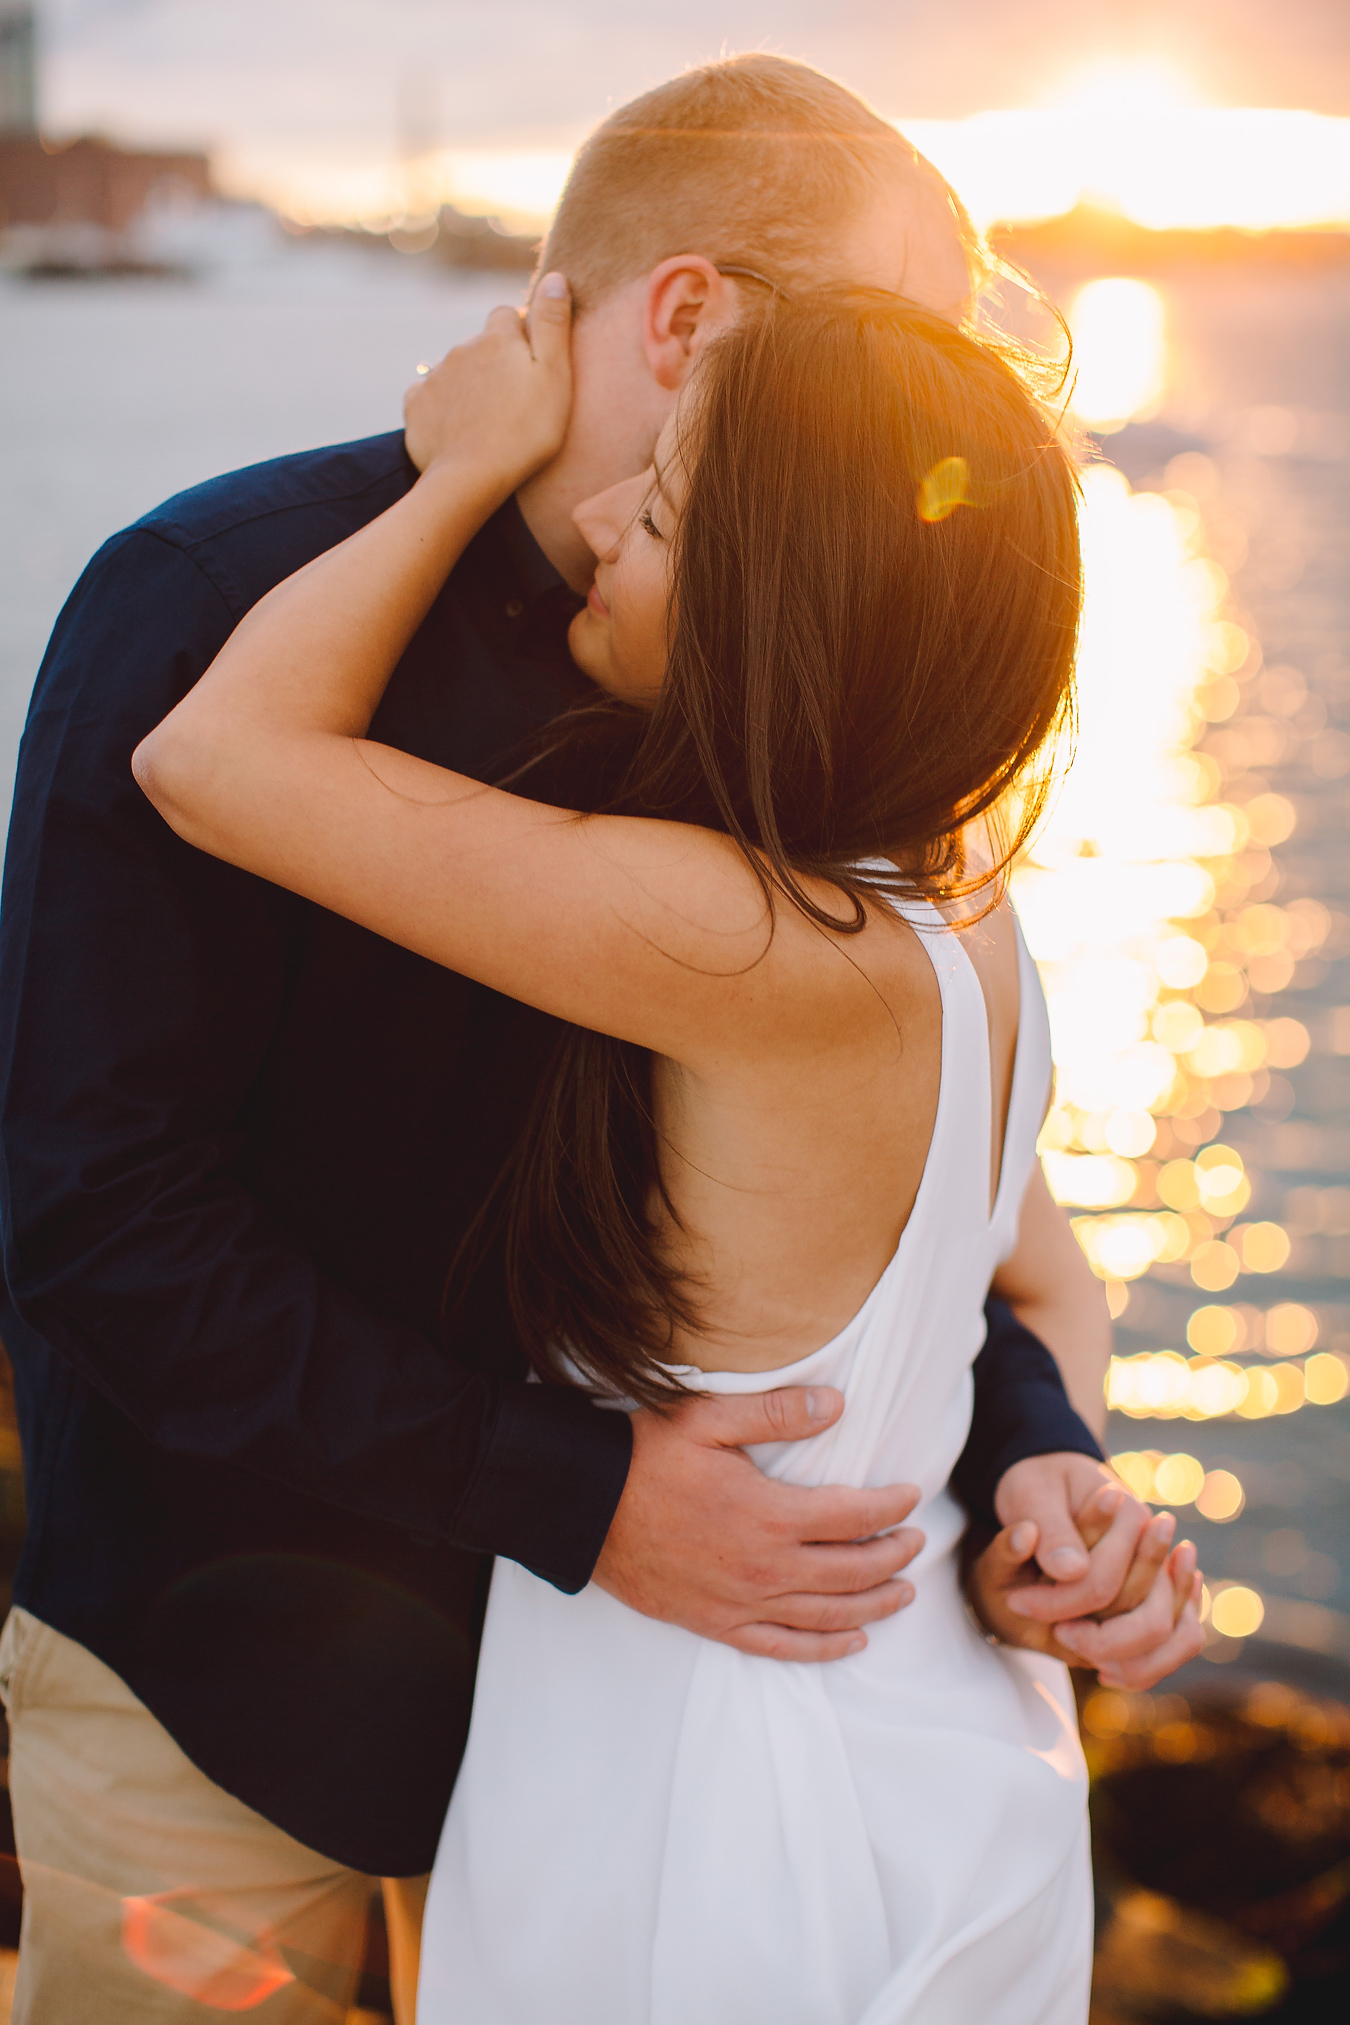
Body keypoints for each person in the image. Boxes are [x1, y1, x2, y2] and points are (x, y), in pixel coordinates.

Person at [0, 55, 1198, 2025]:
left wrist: (1037, 1454)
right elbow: (101, 1228)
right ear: (691, 315)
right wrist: (578, 1494)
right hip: (245, 1708)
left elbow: (878, 1213)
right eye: (888, 334)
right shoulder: (208, 604)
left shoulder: (781, 693)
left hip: (641, 1726)